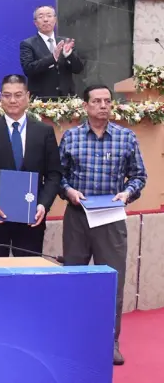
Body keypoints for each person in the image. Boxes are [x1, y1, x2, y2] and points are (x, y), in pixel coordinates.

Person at [59, 84, 147, 366]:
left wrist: (127, 193)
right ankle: (72, 340)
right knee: (75, 280)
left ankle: (110, 342)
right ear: (85, 106)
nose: (103, 106)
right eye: (96, 101)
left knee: (112, 283)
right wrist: (68, 191)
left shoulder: (126, 137)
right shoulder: (71, 137)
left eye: (107, 101)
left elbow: (139, 176)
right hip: (78, 217)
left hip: (111, 218)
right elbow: (58, 175)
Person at [0, 74, 62, 257]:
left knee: (28, 271)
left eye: (18, 95)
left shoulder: (44, 131)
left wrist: (43, 205)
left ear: (27, 96)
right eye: (7, 95)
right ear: (0, 97)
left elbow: (54, 174)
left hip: (31, 218)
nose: (12, 100)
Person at [20, 5, 84, 98]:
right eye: (41, 17)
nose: (46, 20)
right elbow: (28, 69)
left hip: (66, 98)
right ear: (35, 23)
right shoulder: (27, 44)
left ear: (55, 20)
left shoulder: (66, 42)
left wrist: (69, 54)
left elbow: (78, 69)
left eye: (49, 16)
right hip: (41, 99)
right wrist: (53, 57)